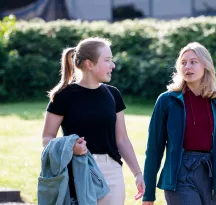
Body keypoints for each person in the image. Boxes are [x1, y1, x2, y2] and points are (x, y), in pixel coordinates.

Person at [142, 42, 216, 205]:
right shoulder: (166, 101)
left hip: (212, 175)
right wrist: (148, 194)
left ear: (206, 66)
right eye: (183, 62)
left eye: (193, 62)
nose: (188, 66)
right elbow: (154, 149)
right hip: (179, 175)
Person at [41, 37, 145, 204]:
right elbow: (47, 138)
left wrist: (138, 174)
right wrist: (70, 148)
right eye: (108, 60)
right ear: (89, 64)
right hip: (78, 171)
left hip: (113, 172)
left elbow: (122, 139)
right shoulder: (63, 96)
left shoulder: (113, 94)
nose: (113, 65)